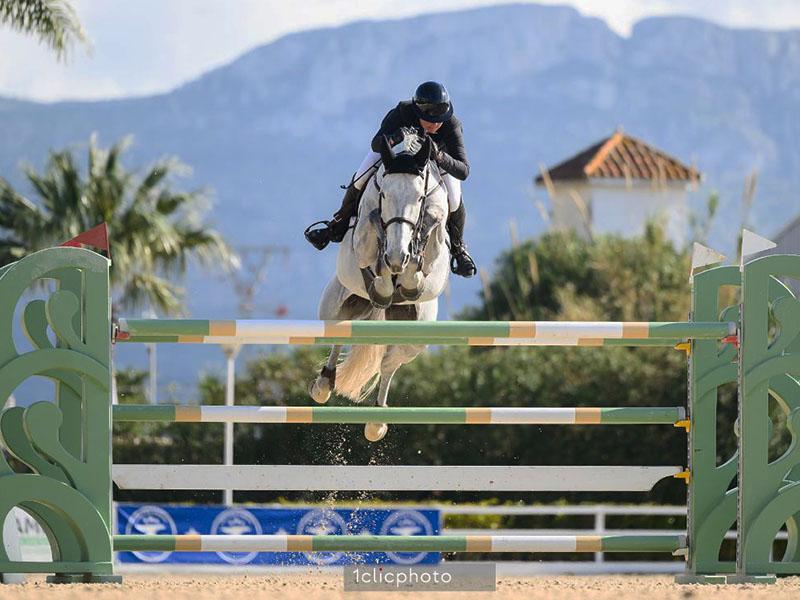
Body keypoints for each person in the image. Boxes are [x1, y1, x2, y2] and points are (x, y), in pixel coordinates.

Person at [304, 81, 476, 277]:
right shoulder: (402, 112)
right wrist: (395, 137)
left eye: (440, 120)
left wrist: (439, 155)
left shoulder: (452, 124)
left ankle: (459, 249)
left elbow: (464, 170)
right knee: (360, 178)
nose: (436, 124)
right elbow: (376, 144)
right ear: (417, 112)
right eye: (430, 120)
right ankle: (336, 225)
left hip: (436, 161)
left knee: (454, 197)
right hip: (397, 154)